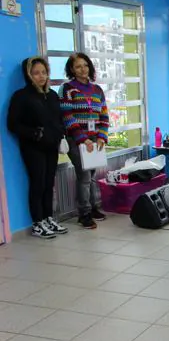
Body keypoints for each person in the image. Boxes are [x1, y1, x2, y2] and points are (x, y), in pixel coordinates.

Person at [7, 57, 68, 238]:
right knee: (38, 183)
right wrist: (34, 133)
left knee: (49, 183)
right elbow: (13, 124)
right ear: (28, 75)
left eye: (43, 72)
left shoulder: (52, 95)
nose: (41, 76)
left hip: (51, 146)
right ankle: (37, 222)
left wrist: (61, 134)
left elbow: (58, 119)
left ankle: (48, 217)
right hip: (33, 148)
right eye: (36, 73)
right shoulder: (21, 96)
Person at [59, 53, 109, 229]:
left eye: (85, 65)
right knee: (84, 177)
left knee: (93, 176)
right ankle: (84, 214)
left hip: (96, 139)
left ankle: (94, 207)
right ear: (71, 69)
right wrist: (83, 139)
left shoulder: (97, 90)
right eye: (78, 66)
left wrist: (102, 136)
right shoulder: (67, 89)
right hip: (77, 140)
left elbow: (104, 115)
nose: (82, 69)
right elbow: (67, 117)